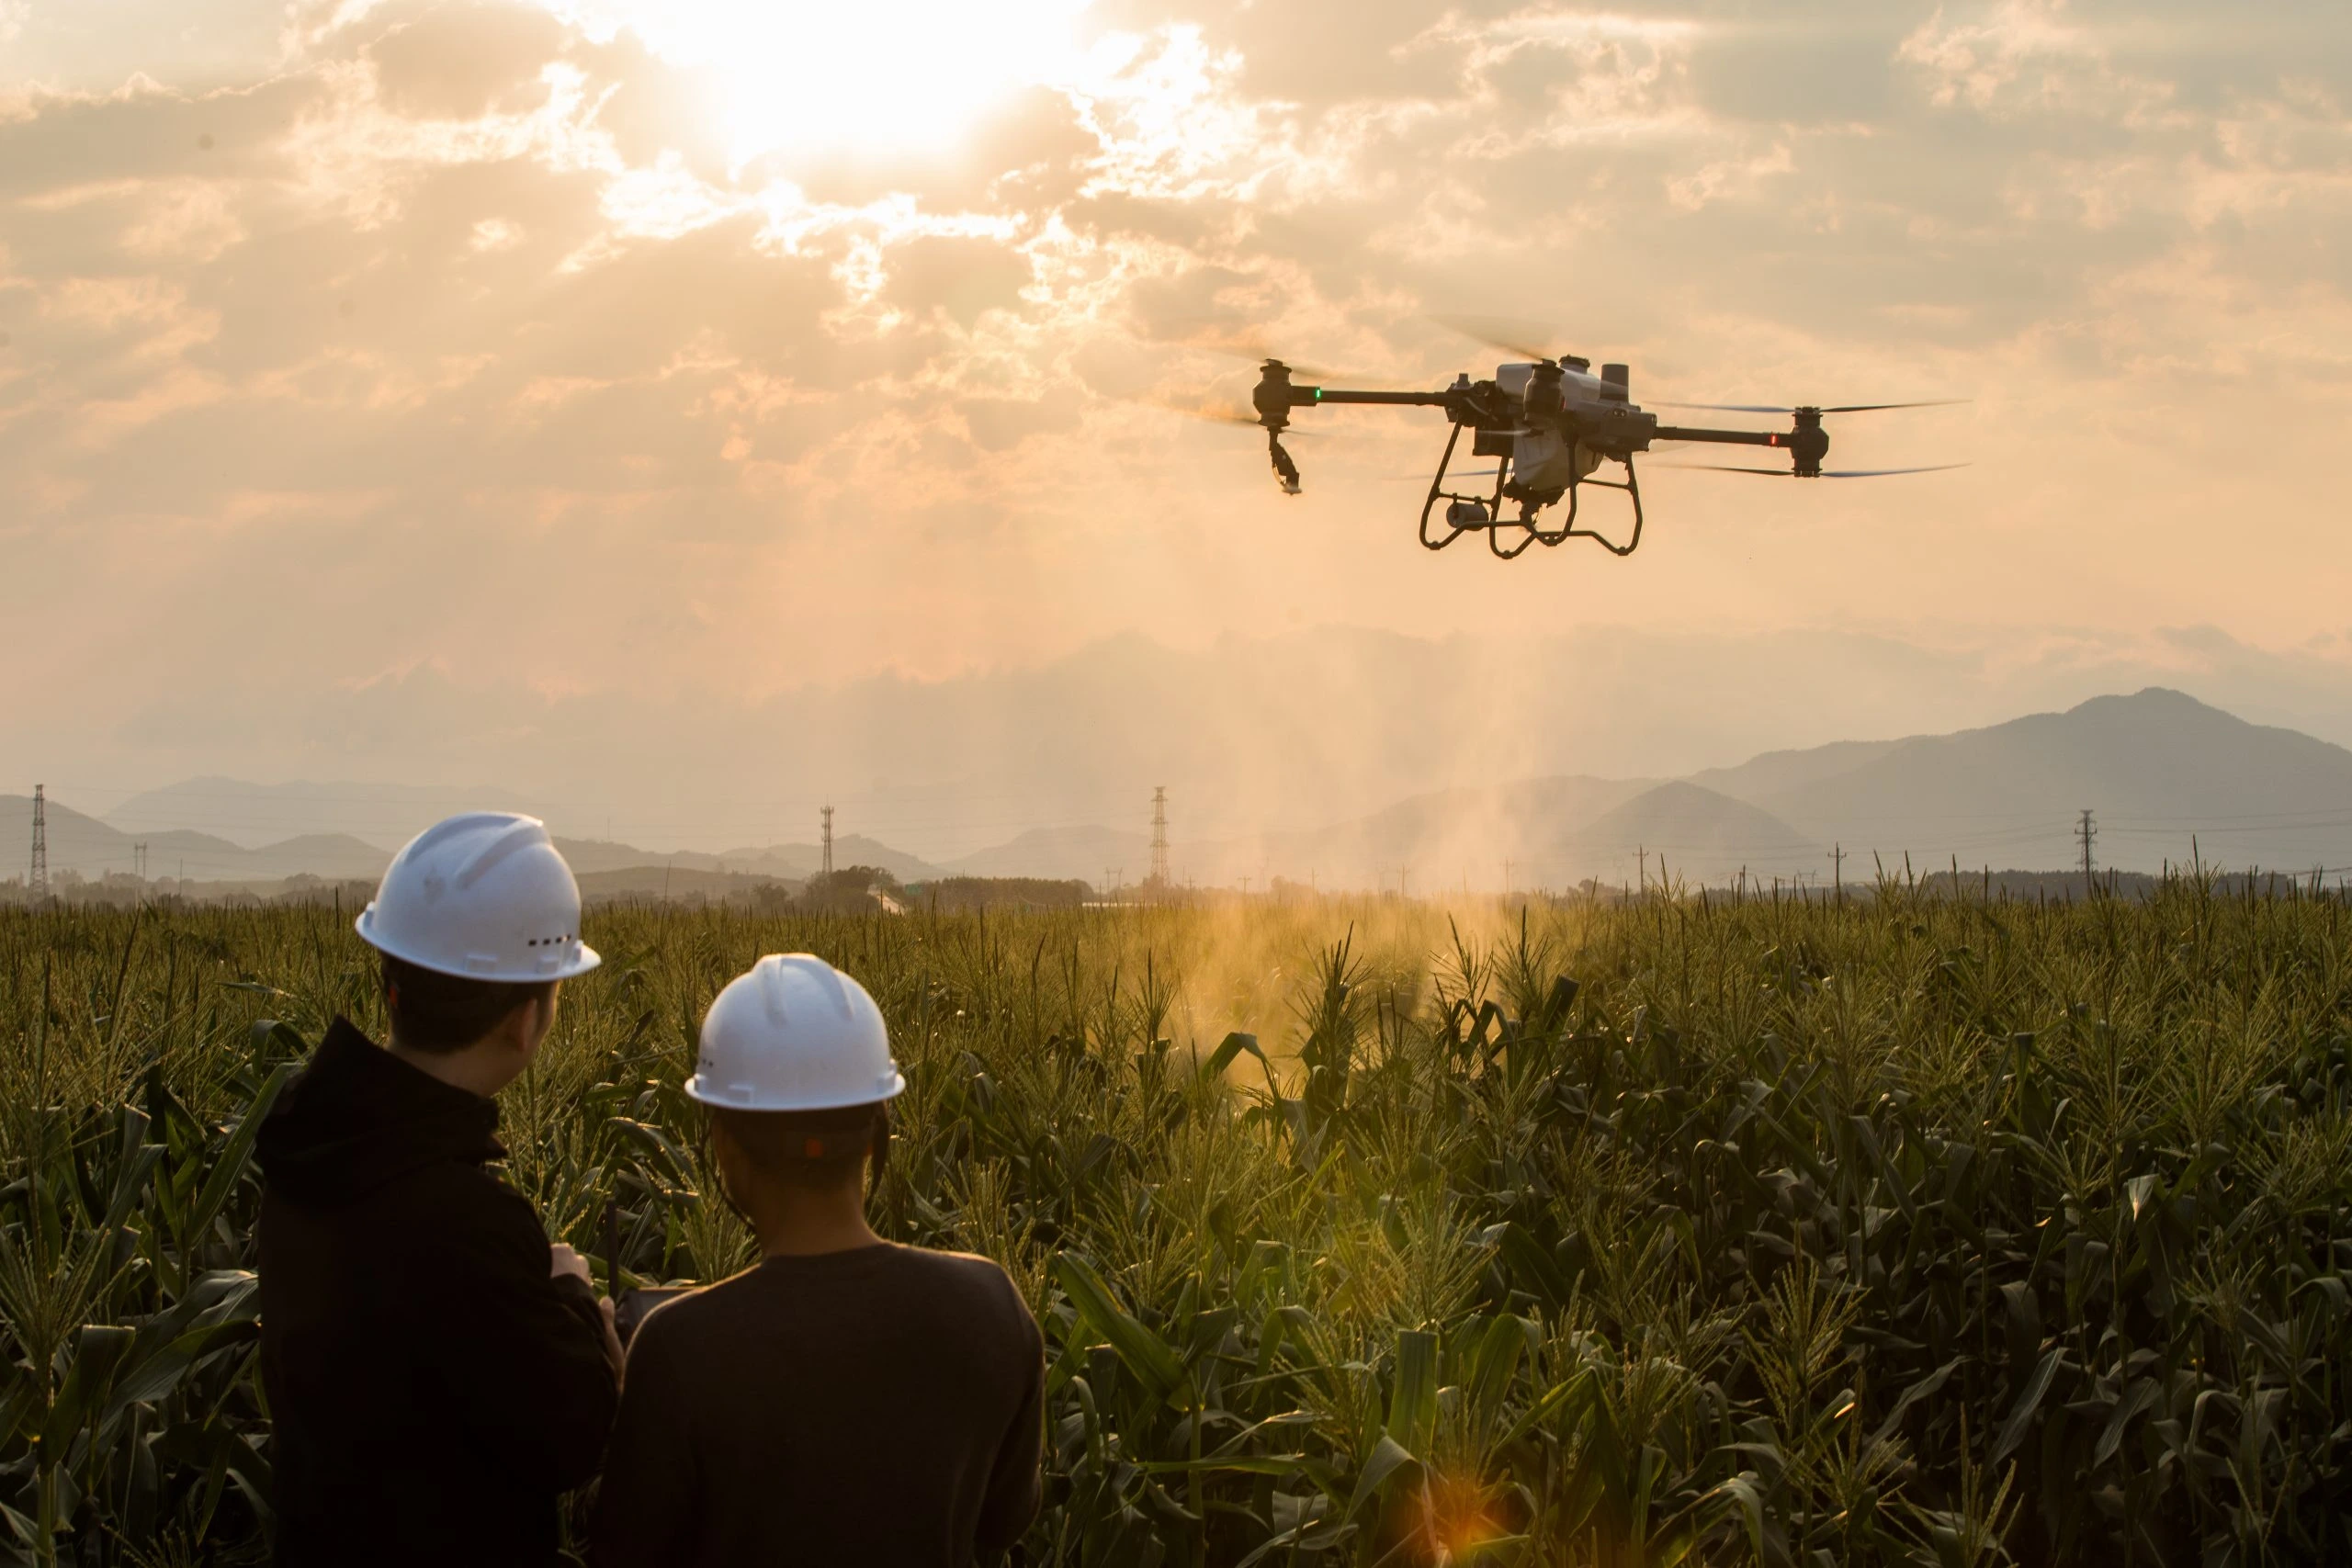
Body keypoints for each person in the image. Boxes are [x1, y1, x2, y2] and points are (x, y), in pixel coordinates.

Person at [593, 954, 1045, 1568]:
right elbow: (1003, 1521)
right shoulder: (991, 1305)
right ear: (878, 1126)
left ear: (722, 1141)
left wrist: (626, 1403)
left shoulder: (678, 1351)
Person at [255, 812, 621, 1568]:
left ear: (390, 982)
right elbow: (574, 1432)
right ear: (527, 1020)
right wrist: (575, 1300)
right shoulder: (461, 1223)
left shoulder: (309, 1149)